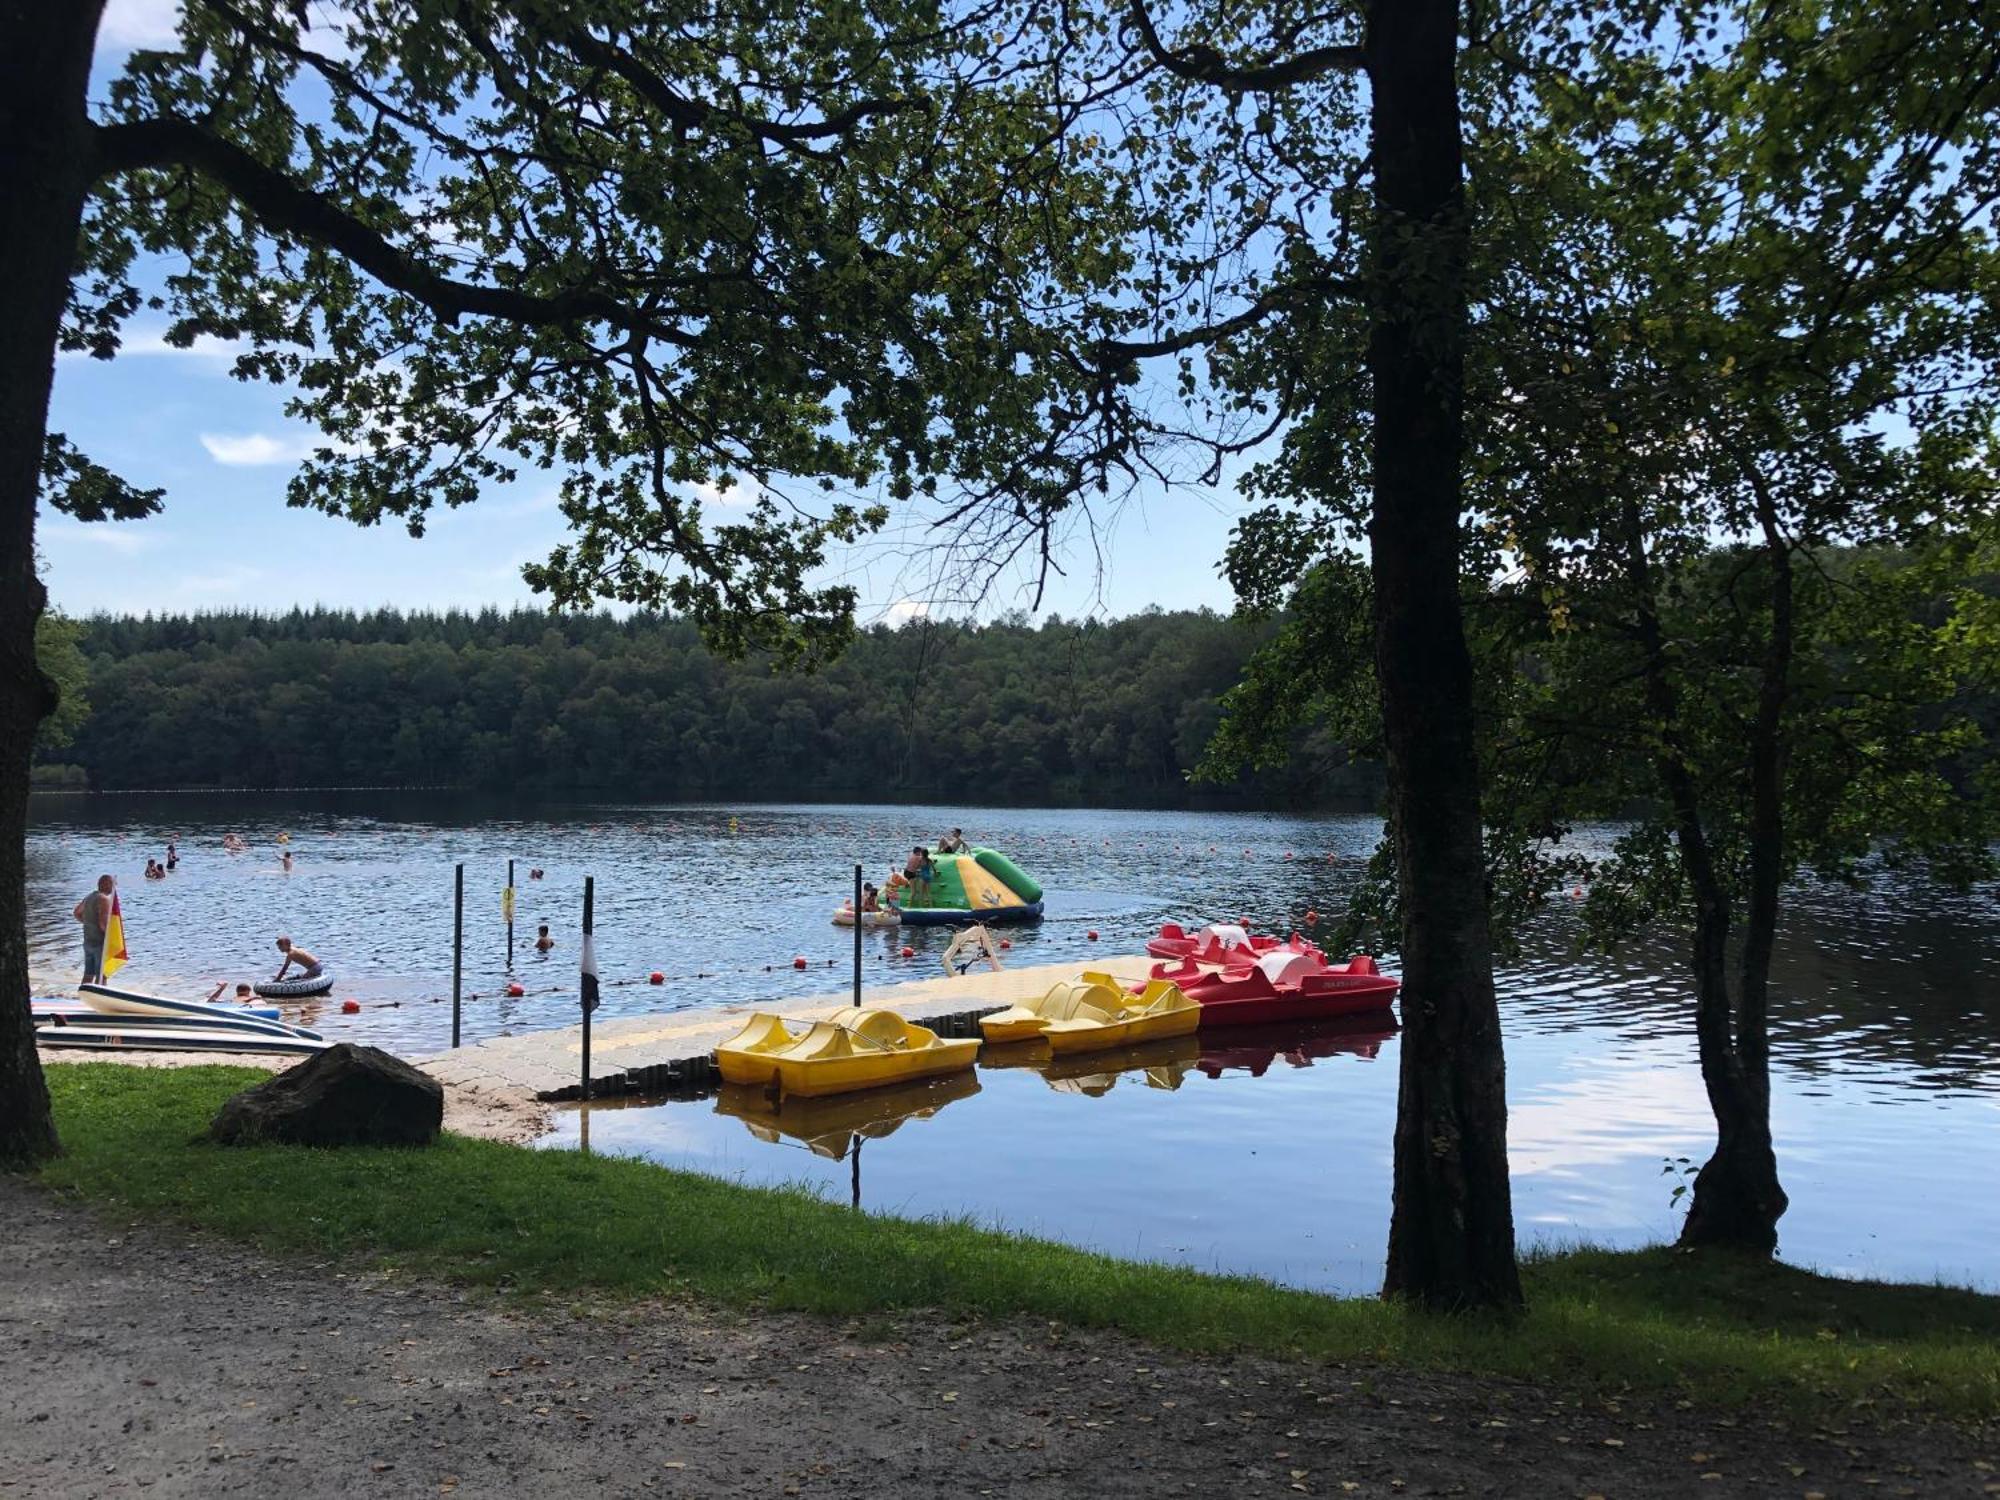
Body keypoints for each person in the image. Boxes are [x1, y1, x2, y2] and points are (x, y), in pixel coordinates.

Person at [73, 874, 114, 983]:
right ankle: (100, 998)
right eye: (113, 884)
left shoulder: (89, 897)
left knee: (88, 974)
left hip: (88, 941)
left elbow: (76, 913)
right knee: (102, 975)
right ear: (106, 884)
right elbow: (103, 924)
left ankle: (83, 996)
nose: (114, 887)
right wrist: (111, 941)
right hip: (99, 942)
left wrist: (87, 922)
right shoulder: (104, 899)